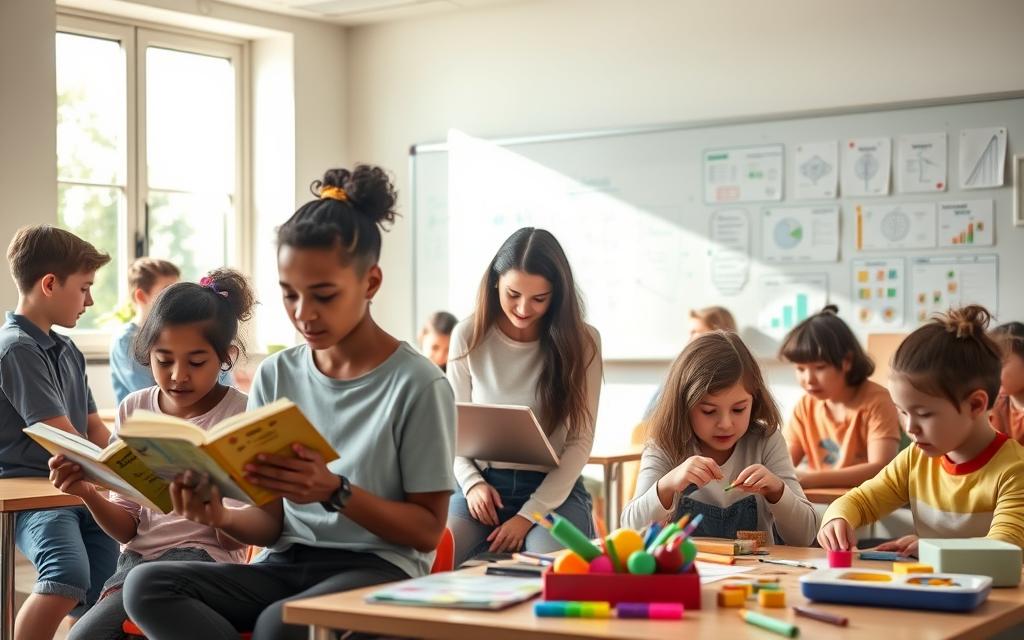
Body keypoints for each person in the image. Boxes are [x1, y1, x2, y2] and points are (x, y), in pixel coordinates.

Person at [123, 165, 456, 640]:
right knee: (147, 585)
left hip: (381, 569)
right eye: (289, 294)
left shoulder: (418, 384)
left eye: (323, 295)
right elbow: (271, 521)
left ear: (371, 282)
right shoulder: (278, 374)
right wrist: (216, 515)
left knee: (280, 625)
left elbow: (426, 531)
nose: (303, 313)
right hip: (286, 562)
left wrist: (333, 490)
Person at [51, 268, 255, 639]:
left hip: (206, 564)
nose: (178, 376)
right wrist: (87, 492)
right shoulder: (134, 409)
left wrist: (214, 509)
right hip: (135, 563)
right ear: (148, 354)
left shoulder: (241, 414)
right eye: (164, 361)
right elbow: (128, 527)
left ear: (226, 357)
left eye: (196, 362)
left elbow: (238, 541)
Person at [447, 227, 602, 566]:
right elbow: (452, 430)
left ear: (557, 296)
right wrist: (472, 484)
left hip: (554, 489)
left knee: (550, 566)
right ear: (495, 283)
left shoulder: (583, 342)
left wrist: (528, 515)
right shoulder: (468, 335)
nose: (522, 308)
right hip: (483, 487)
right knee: (434, 556)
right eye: (513, 293)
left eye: (539, 299)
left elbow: (580, 442)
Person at [818, 306, 1024, 555]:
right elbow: (860, 501)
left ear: (975, 404)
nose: (910, 428)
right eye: (902, 412)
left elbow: (1003, 551)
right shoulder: (915, 458)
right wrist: (836, 519)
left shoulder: (1015, 469)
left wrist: (929, 548)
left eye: (924, 414)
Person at [0, 225, 118, 640]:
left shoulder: (67, 349)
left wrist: (138, 462)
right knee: (66, 573)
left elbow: (94, 427)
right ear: (49, 284)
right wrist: (124, 476)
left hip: (80, 490)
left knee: (103, 583)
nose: (90, 300)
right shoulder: (17, 348)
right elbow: (62, 435)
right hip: (37, 493)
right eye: (84, 288)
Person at [622, 331, 818, 545]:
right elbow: (631, 531)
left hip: (756, 575)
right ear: (684, 406)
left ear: (754, 401)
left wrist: (777, 491)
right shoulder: (665, 443)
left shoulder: (766, 441)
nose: (725, 423)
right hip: (690, 575)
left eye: (738, 409)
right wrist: (668, 485)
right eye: (708, 411)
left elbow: (805, 536)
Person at [779, 305, 901, 489]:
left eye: (819, 367)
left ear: (847, 362)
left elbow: (881, 469)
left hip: (869, 506)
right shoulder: (805, 406)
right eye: (800, 369)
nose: (808, 379)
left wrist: (808, 479)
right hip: (824, 504)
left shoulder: (877, 401)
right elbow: (784, 466)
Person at [109, 257, 180, 405]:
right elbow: (153, 397)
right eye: (167, 291)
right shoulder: (127, 341)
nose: (177, 299)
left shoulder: (174, 334)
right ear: (141, 296)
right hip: (144, 425)